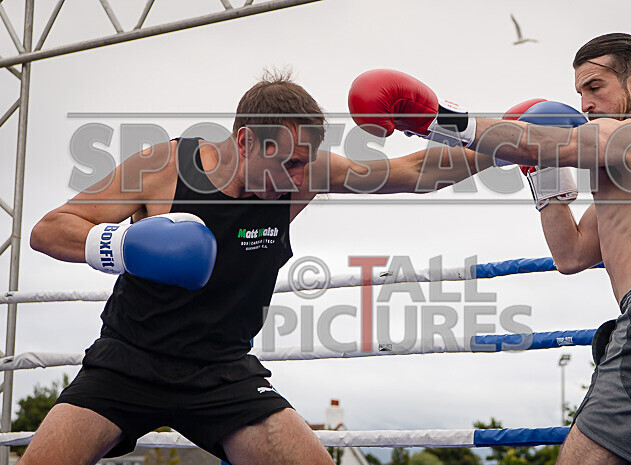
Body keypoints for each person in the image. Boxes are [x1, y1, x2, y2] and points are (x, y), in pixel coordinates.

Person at [25, 69, 500, 465]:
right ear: (246, 140)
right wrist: (127, 245)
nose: (299, 178)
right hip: (127, 363)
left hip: (223, 373)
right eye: (289, 163)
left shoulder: (305, 173)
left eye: (305, 163)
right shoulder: (163, 166)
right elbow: (48, 230)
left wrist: (506, 141)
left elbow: (414, 171)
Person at [349, 33, 631, 465]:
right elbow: (573, 255)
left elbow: (539, 141)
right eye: (580, 92)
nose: (586, 104)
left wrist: (437, 118)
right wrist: (544, 176)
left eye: (596, 87)